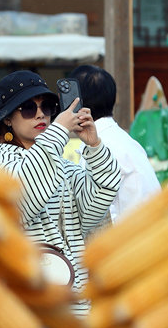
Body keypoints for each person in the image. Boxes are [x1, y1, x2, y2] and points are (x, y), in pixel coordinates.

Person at [0, 70, 121, 328]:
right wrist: (60, 132)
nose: (41, 114)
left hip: (63, 299)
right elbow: (25, 198)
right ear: (8, 120)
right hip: (23, 301)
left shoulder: (62, 163)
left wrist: (93, 147)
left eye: (47, 106)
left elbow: (96, 203)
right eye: (27, 109)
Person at [67, 65, 161, 223]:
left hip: (129, 240)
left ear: (76, 102)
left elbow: (91, 215)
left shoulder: (99, 147)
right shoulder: (121, 139)